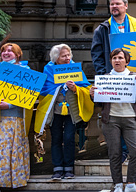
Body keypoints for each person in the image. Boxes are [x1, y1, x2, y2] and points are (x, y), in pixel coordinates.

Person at [92, 48, 136, 192]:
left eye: (120, 58)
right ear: (111, 61)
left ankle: (131, 184)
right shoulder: (105, 77)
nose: (117, 60)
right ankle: (117, 185)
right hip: (111, 119)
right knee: (114, 153)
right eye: (114, 58)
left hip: (130, 118)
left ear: (127, 61)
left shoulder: (134, 76)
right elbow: (99, 102)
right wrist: (93, 95)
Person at [36, 44, 93, 180]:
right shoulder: (48, 69)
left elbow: (86, 88)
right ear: (56, 58)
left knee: (69, 138)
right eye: (64, 56)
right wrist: (57, 88)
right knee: (56, 139)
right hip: (54, 111)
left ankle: (68, 168)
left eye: (68, 55)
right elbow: (43, 89)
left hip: (71, 112)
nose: (67, 58)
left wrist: (75, 89)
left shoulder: (75, 69)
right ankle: (57, 169)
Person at [0, 43, 31, 192]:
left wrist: (10, 105)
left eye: (10, 51)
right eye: (4, 50)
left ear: (18, 55)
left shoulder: (25, 72)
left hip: (12, 117)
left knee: (6, 150)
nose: (6, 53)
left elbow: (28, 95)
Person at [91, 0, 136, 78]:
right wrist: (103, 74)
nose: (114, 6)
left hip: (134, 76)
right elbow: (97, 55)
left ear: (126, 6)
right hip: (111, 77)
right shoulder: (102, 29)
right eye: (112, 4)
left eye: (117, 4)